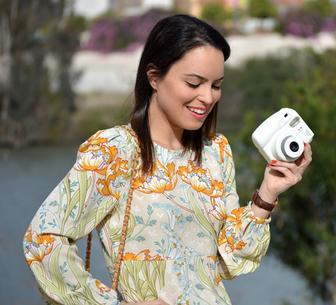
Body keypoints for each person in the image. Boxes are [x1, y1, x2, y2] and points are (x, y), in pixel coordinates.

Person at [23, 14, 312, 305]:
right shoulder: (115, 150)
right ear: (154, 78)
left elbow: (228, 263)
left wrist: (267, 194)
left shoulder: (216, 151)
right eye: (194, 82)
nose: (208, 97)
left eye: (216, 85)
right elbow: (43, 238)